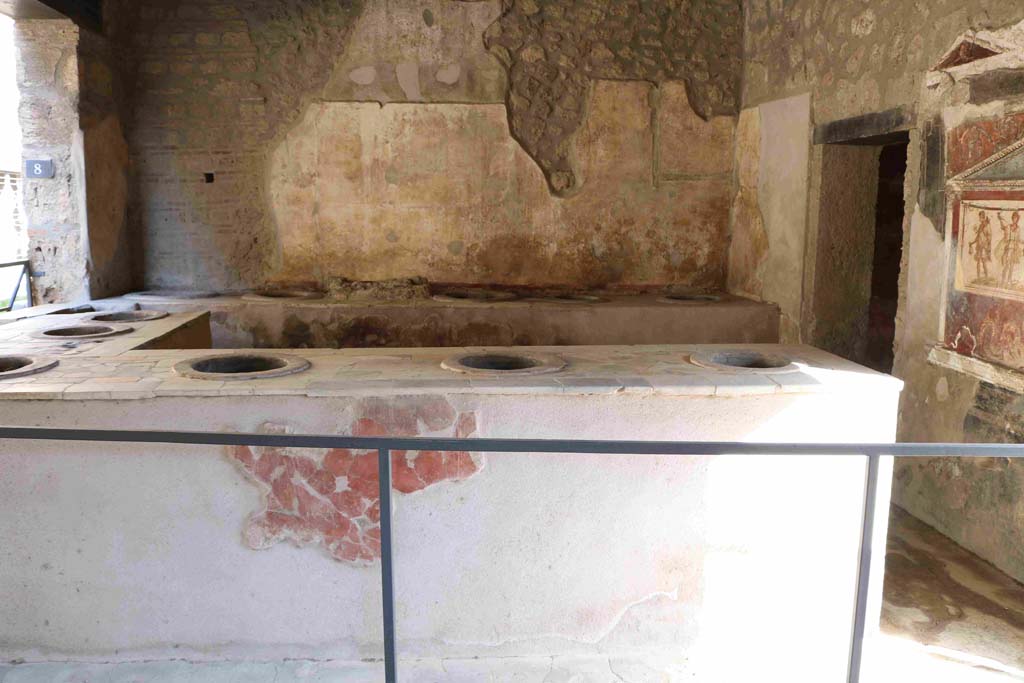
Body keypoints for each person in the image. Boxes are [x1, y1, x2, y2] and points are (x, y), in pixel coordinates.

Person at [969, 210, 992, 280]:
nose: (979, 219)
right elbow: (978, 237)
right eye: (979, 217)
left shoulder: (987, 226)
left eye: (980, 217)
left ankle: (986, 276)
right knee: (978, 262)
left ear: (983, 217)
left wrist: (986, 246)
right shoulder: (980, 226)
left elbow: (989, 237)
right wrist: (972, 242)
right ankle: (978, 277)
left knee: (984, 262)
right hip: (979, 246)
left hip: (984, 247)